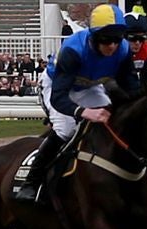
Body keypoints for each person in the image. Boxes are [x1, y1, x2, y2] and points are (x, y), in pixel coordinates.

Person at [23, 12, 133, 203]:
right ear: (95, 37)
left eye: (117, 40)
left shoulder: (123, 51)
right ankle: (32, 181)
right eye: (107, 40)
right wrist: (83, 111)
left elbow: (131, 88)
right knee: (66, 130)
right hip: (57, 87)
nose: (112, 46)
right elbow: (59, 97)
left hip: (90, 85)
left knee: (114, 118)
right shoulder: (74, 50)